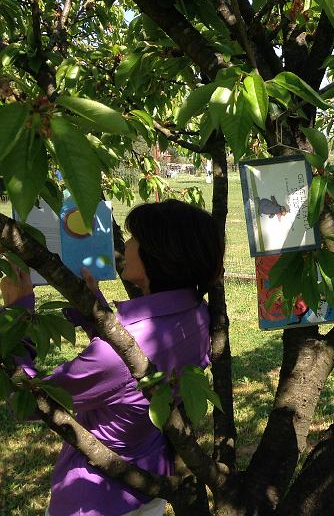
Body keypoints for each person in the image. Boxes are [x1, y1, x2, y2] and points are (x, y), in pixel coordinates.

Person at [1, 199, 224, 516]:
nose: (127, 244)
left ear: (156, 256)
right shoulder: (198, 315)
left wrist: (16, 315)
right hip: (148, 484)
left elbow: (30, 402)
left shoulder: (118, 352)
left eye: (135, 239)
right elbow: (128, 370)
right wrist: (96, 314)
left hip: (95, 502)